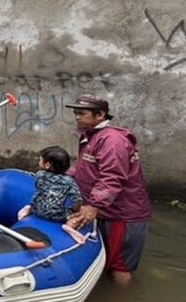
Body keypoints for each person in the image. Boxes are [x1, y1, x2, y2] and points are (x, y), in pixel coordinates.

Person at [63, 94, 151, 284]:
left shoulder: (112, 140)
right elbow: (81, 166)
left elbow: (112, 177)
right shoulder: (91, 137)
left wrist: (93, 205)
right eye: (75, 113)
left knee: (118, 266)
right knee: (103, 259)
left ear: (100, 115)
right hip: (104, 210)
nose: (77, 117)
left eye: (82, 113)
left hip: (121, 214)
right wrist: (62, 179)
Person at [17, 146, 84, 242]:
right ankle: (69, 226)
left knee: (40, 198)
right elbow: (77, 199)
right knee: (75, 214)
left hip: (37, 210)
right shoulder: (69, 181)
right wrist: (75, 210)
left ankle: (30, 208)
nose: (38, 162)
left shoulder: (40, 174)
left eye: (40, 160)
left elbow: (38, 188)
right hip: (56, 215)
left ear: (47, 165)